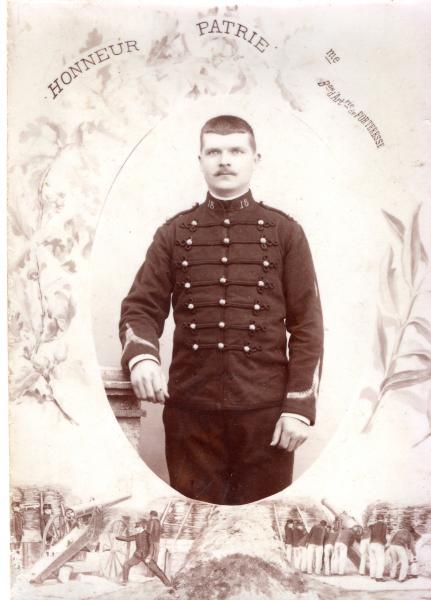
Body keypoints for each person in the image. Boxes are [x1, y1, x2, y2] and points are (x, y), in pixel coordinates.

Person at [120, 115, 324, 505]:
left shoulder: (285, 232)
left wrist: (299, 408)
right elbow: (140, 307)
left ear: (255, 159)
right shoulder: (174, 233)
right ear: (200, 160)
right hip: (191, 416)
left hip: (266, 418)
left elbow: (308, 326)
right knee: (194, 528)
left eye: (236, 151)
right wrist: (142, 358)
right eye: (214, 151)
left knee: (260, 532)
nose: (225, 160)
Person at [116, 519, 171, 586]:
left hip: (146, 556)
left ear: (142, 527)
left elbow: (151, 547)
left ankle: (168, 585)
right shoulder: (137, 535)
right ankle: (125, 581)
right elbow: (127, 539)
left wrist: (149, 556)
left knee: (157, 571)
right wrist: (117, 537)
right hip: (137, 556)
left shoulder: (148, 535)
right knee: (126, 565)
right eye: (136, 528)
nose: (136, 529)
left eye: (137, 528)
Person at [368, 513, 387, 582]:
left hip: (371, 544)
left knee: (373, 561)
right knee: (380, 561)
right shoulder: (383, 524)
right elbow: (383, 535)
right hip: (379, 544)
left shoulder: (373, 525)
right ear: (383, 518)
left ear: (377, 519)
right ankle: (378, 577)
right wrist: (385, 543)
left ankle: (372, 575)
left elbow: (371, 534)